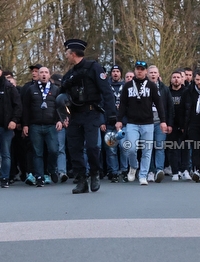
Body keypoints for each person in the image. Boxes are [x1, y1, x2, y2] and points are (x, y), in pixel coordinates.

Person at [59, 38, 115, 194]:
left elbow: (107, 92)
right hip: (75, 115)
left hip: (91, 113)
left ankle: (95, 173)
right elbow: (60, 97)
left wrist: (111, 115)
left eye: (67, 53)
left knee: (92, 147)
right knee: (75, 149)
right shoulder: (69, 75)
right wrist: (63, 115)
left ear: (74, 53)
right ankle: (82, 180)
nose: (66, 56)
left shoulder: (94, 68)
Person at [116, 61, 167, 185]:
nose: (139, 71)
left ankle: (143, 175)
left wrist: (163, 121)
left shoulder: (152, 86)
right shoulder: (128, 86)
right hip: (132, 123)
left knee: (147, 150)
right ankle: (134, 166)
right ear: (135, 70)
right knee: (131, 148)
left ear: (145, 71)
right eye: (137, 69)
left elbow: (159, 104)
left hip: (148, 123)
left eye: (142, 69)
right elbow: (122, 104)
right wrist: (118, 120)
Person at [22, 66, 63, 187]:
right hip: (35, 125)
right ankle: (39, 176)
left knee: (54, 150)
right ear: (38, 75)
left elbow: (61, 106)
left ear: (49, 75)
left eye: (46, 72)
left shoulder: (55, 89)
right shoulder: (31, 89)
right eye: (41, 73)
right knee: (37, 152)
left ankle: (51, 169)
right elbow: (26, 109)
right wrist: (25, 124)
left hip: (51, 125)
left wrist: (60, 120)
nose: (44, 75)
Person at [147, 65, 173, 182]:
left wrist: (169, 123)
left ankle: (159, 170)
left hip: (160, 123)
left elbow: (170, 107)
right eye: (151, 72)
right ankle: (150, 171)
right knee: (148, 148)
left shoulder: (164, 89)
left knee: (160, 147)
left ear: (158, 75)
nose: (153, 74)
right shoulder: (143, 87)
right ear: (147, 74)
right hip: (146, 123)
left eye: (155, 72)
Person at [166, 70, 190, 180]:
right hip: (171, 124)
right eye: (174, 77)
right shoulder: (167, 92)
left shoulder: (186, 92)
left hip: (184, 123)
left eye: (178, 77)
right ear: (171, 80)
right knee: (173, 148)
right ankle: (175, 171)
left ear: (182, 79)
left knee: (185, 148)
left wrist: (185, 124)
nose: (176, 79)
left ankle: (185, 170)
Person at [105, 64, 125, 181]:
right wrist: (102, 121)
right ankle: (114, 172)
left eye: (118, 71)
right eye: (113, 71)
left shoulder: (126, 87)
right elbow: (102, 104)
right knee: (111, 149)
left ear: (121, 73)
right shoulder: (106, 87)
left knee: (124, 148)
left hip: (123, 123)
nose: (115, 73)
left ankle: (124, 170)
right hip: (109, 122)